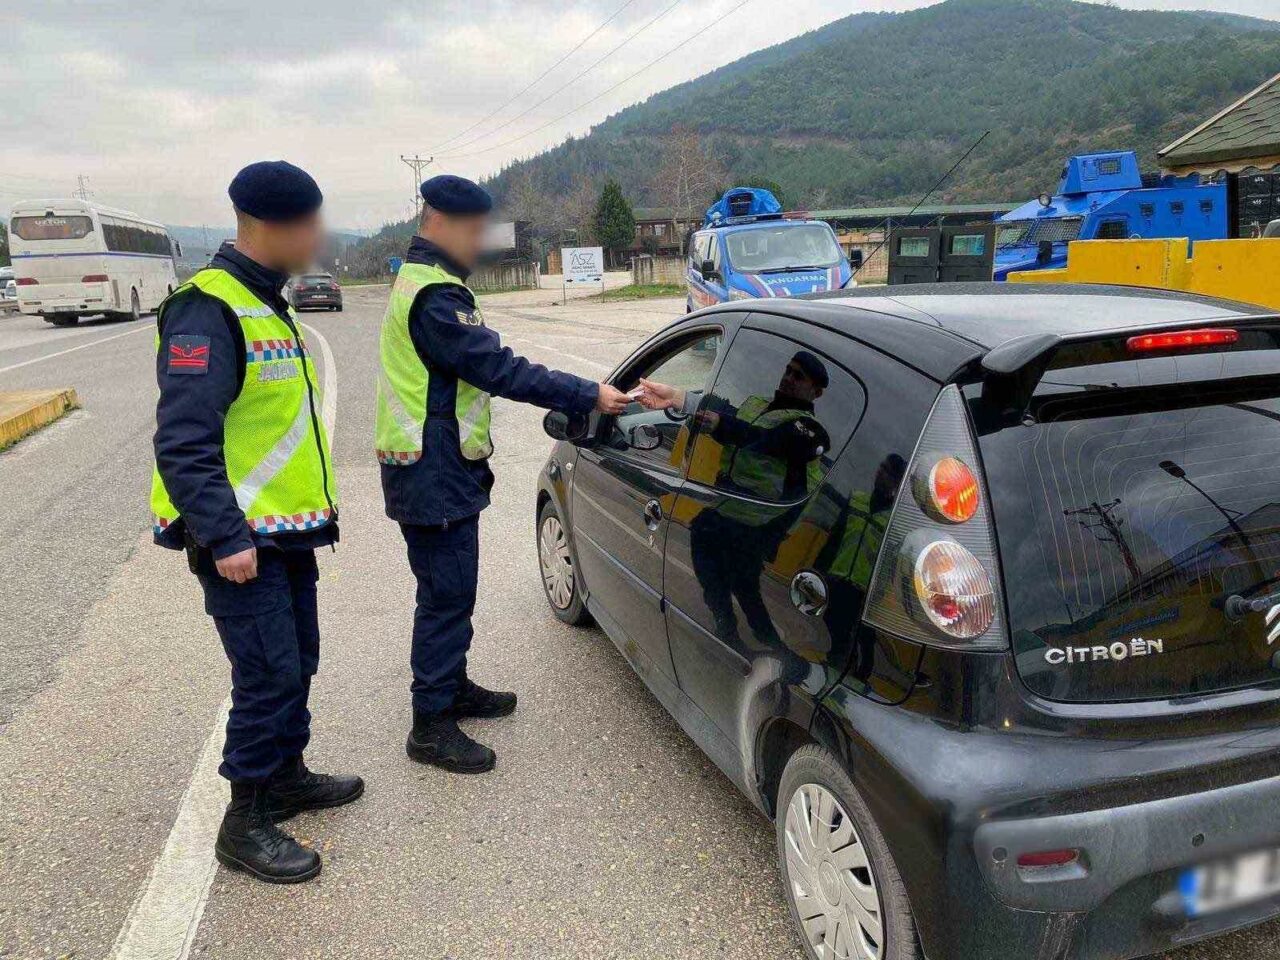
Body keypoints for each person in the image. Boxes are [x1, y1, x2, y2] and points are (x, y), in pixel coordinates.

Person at [150, 161, 362, 884]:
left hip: (285, 530)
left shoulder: (265, 300)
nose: (318, 240)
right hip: (240, 538)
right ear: (272, 227)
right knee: (267, 673)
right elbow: (184, 439)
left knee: (297, 659)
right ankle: (243, 822)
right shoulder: (207, 309)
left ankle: (286, 776)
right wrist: (224, 533)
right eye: (311, 227)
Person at [376, 175, 628, 774]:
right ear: (440, 222)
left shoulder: (426, 282)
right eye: (473, 231)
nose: (479, 243)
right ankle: (430, 725)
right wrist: (586, 393)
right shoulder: (434, 295)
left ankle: (451, 687)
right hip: (432, 471)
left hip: (437, 467)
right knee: (445, 596)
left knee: (453, 589)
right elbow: (497, 368)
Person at [637, 352, 831, 645]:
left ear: (816, 392)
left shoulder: (809, 430)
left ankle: (758, 638)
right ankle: (733, 624)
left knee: (743, 583)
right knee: (727, 567)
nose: (789, 378)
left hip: (760, 524)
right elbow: (723, 410)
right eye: (788, 370)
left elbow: (767, 441)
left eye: (799, 376)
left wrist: (721, 425)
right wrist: (677, 398)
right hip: (728, 510)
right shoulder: (759, 405)